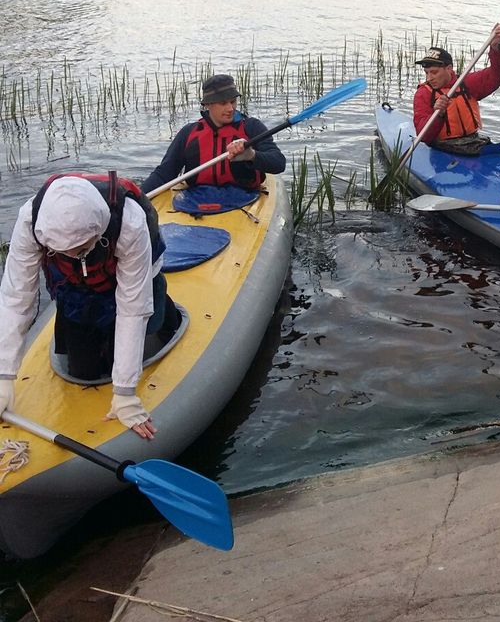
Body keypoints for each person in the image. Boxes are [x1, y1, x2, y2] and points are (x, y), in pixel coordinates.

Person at [0, 173, 180, 440]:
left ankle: (168, 315)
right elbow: (16, 299)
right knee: (83, 367)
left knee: (150, 322)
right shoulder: (31, 220)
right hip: (77, 287)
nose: (75, 255)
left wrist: (125, 393)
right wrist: (4, 375)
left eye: (81, 248)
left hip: (134, 273)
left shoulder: (130, 222)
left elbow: (132, 307)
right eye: (66, 251)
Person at [141, 74, 286, 195]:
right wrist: (138, 196)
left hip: (245, 197)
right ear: (208, 104)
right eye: (223, 103)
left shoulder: (252, 127)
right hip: (195, 200)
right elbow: (164, 174)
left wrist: (252, 156)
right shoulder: (189, 133)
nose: (230, 108)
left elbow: (278, 163)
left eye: (233, 101)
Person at [412, 24, 500, 156]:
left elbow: (498, 74)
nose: (429, 78)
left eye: (434, 72)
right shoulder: (423, 93)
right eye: (426, 72)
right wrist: (438, 113)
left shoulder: (466, 83)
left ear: (449, 69)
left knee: (497, 151)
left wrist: (495, 48)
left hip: (472, 141)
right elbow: (424, 136)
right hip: (442, 146)